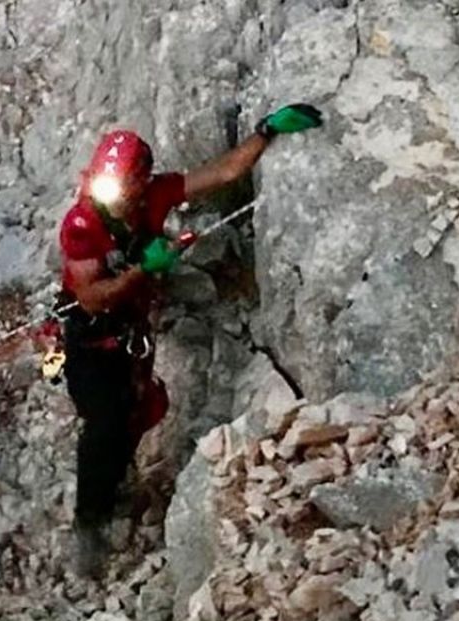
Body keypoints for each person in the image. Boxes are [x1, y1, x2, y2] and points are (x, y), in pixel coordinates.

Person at [56, 104, 323, 577]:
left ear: (141, 181)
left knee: (136, 413)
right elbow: (94, 298)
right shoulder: (82, 224)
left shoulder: (156, 195)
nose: (111, 199)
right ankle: (88, 526)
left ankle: (118, 487)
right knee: (104, 423)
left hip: (133, 332)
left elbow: (223, 171)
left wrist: (265, 132)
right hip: (91, 338)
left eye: (121, 188)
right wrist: (145, 269)